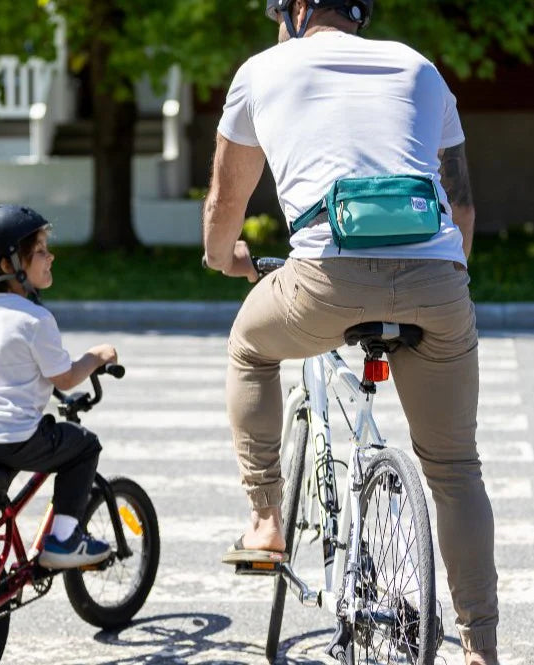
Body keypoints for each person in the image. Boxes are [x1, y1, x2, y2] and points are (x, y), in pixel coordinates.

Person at [202, 2, 498, 664]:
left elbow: (227, 201)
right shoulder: (419, 67)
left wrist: (222, 257)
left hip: (323, 279)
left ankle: (265, 519)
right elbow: (461, 205)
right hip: (438, 277)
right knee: (454, 470)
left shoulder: (261, 70)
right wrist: (438, 278)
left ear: (300, 9)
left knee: (248, 347)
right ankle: (481, 647)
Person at [0, 204, 115, 570]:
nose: (51, 256)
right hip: (13, 438)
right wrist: (96, 357)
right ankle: (64, 539)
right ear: (8, 266)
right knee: (83, 447)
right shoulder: (36, 319)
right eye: (39, 251)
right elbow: (65, 377)